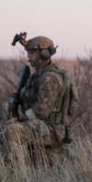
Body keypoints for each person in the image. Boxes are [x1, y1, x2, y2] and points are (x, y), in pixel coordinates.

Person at [4, 33, 77, 166]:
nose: (28, 56)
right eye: (28, 52)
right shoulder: (36, 76)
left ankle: (16, 175)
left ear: (44, 54)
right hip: (41, 127)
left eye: (32, 52)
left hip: (52, 130)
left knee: (12, 131)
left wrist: (19, 118)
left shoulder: (49, 78)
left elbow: (42, 110)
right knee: (43, 169)